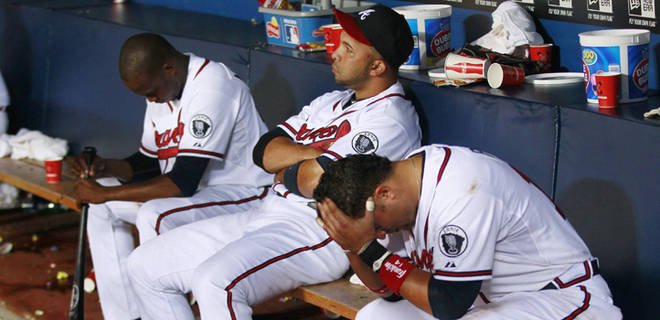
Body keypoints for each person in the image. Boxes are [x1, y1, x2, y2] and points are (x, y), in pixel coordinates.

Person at [126, 5, 421, 319]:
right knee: (143, 266)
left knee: (215, 283)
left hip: (319, 232)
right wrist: (312, 157)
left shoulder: (390, 119)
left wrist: (294, 166)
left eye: (348, 48)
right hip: (267, 213)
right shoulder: (329, 102)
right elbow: (263, 151)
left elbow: (316, 181)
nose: (334, 51)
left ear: (376, 67)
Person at [72, 33, 272, 320]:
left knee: (155, 212)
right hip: (200, 198)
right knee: (103, 206)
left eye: (150, 91)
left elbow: (182, 182)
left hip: (246, 195)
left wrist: (104, 193)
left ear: (169, 68)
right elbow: (149, 162)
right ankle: (127, 315)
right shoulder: (162, 87)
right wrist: (106, 168)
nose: (150, 98)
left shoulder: (212, 86)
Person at [313, 144, 623, 320]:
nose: (380, 235)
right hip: (492, 303)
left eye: (376, 227)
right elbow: (391, 292)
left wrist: (368, 248)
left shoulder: (463, 189)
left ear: (383, 194)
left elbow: (449, 303)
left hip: (562, 297)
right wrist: (351, 245)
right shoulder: (401, 191)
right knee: (375, 317)